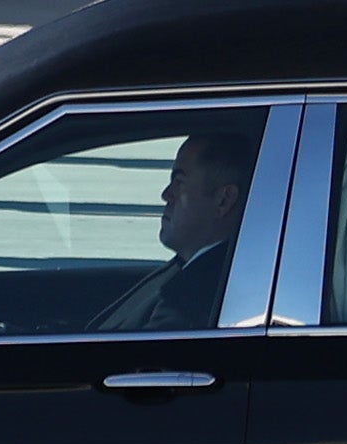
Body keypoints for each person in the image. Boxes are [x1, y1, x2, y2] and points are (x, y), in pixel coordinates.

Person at [87, 116, 269, 332]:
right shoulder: (190, 270)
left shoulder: (196, 300)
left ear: (223, 200)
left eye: (179, 182)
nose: (165, 194)